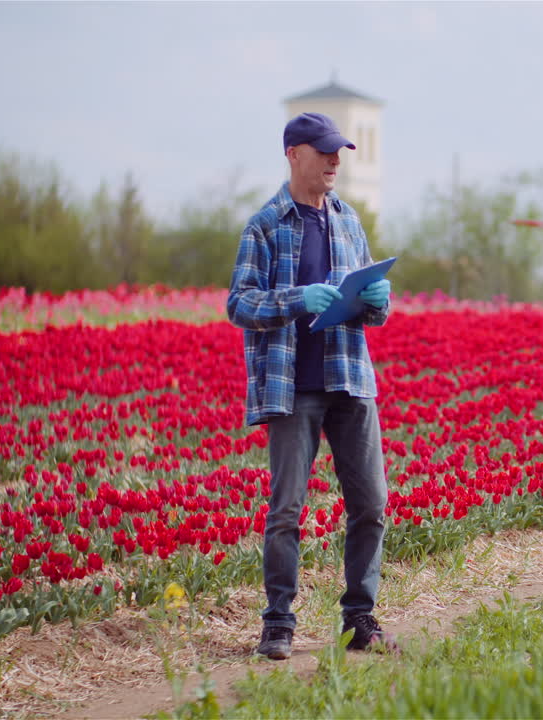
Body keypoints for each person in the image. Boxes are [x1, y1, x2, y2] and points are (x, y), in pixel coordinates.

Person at [227, 112, 395, 659]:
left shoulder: (348, 221)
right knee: (286, 510)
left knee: (371, 503)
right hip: (293, 386)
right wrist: (298, 299)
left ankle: (359, 619)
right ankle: (278, 623)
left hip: (350, 379)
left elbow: (370, 301)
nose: (334, 160)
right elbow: (239, 303)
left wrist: (378, 302)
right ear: (293, 154)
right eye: (324, 151)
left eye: (338, 152)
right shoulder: (265, 226)